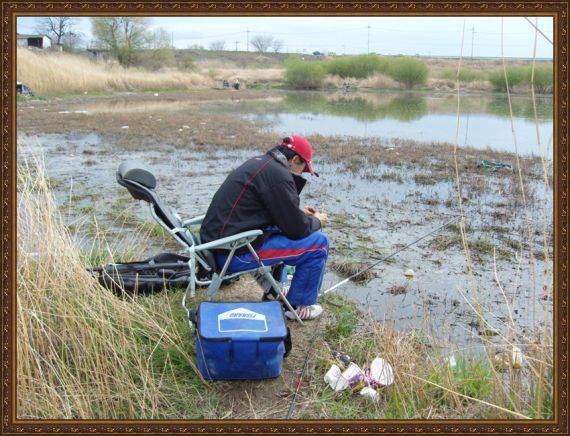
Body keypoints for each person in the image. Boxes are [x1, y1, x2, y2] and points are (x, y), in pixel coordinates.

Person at [200, 135, 329, 320]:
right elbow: (297, 230)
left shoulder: (261, 163)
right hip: (232, 253)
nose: (302, 173)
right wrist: (317, 220)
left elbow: (268, 208)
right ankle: (296, 306)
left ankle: (273, 290)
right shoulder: (279, 176)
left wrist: (299, 213)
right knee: (319, 244)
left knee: (280, 230)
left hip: (218, 243)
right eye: (303, 168)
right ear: (295, 160)